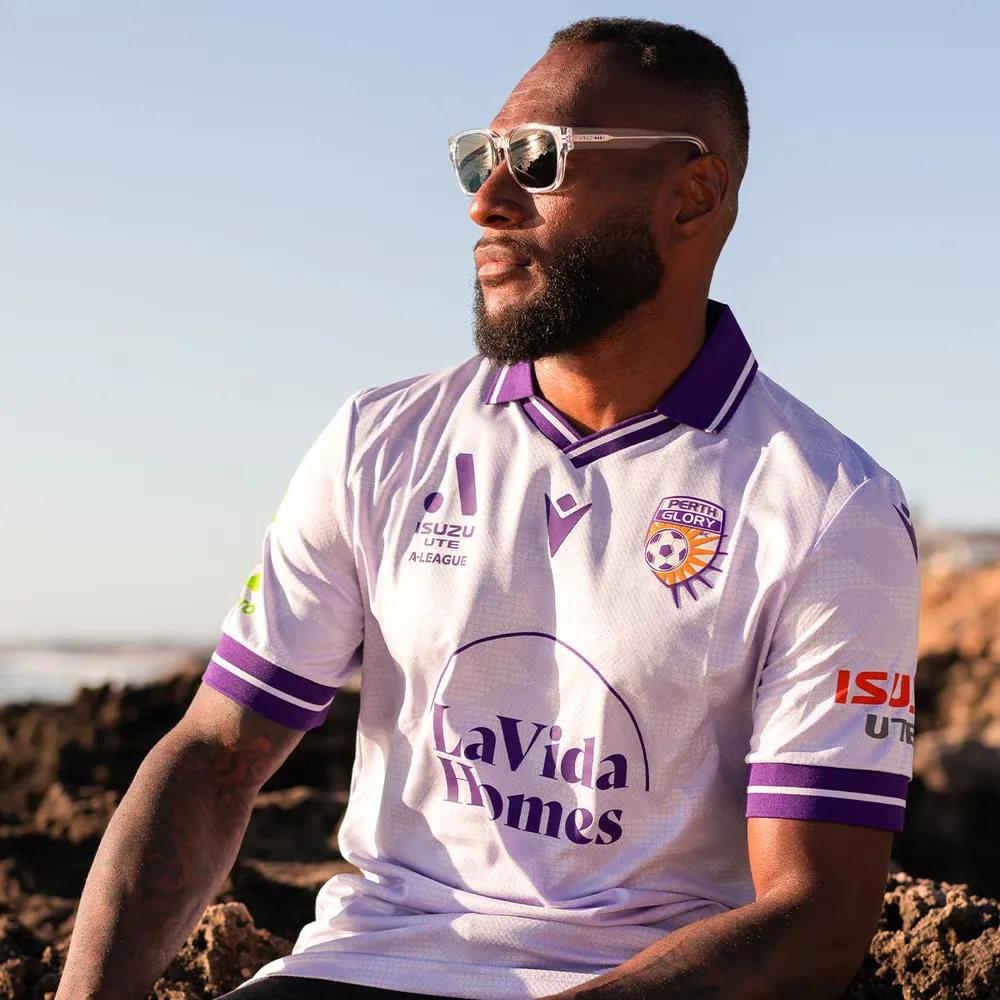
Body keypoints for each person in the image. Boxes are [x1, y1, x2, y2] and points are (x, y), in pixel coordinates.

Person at [56, 17, 920, 1000]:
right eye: (479, 156)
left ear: (692, 194)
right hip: (362, 966)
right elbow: (215, 755)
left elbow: (816, 917)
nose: (486, 201)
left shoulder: (831, 509)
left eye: (539, 160)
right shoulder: (379, 439)